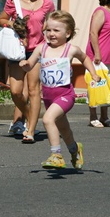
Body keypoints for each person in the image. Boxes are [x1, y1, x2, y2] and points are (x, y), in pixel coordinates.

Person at [19, 10, 100, 169]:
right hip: (49, 98)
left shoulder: (70, 49)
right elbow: (30, 65)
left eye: (56, 30)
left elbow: (84, 58)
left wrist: (93, 73)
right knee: (64, 129)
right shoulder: (41, 49)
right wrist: (25, 65)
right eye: (48, 30)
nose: (51, 34)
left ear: (68, 33)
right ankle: (75, 150)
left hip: (65, 95)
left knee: (48, 119)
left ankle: (56, 155)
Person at [0, 0, 55, 143]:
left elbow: (50, 24)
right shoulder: (13, 1)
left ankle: (30, 130)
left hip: (37, 50)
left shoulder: (47, 3)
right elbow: (1, 19)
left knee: (33, 90)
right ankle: (30, 116)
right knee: (15, 91)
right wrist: (12, 24)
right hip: (17, 50)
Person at [86, 0, 110, 127]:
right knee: (95, 85)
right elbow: (94, 33)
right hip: (98, 57)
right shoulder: (100, 12)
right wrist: (97, 53)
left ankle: (104, 116)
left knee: (106, 86)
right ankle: (93, 116)